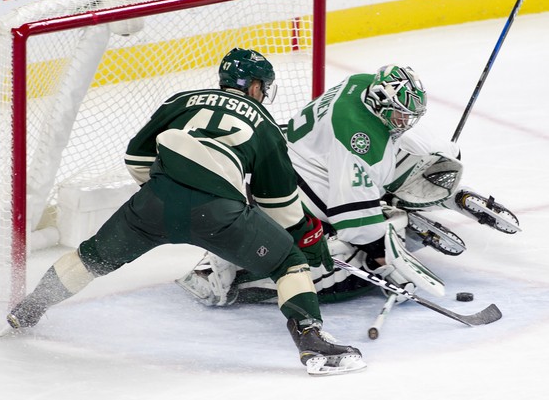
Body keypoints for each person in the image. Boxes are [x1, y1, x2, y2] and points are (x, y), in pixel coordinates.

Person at [0, 48, 366, 375]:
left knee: (92, 256)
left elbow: (136, 157)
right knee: (287, 263)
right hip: (221, 214)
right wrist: (306, 236)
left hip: (154, 203)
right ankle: (311, 341)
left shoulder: (182, 100)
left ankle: (29, 309)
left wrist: (168, 192)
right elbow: (280, 205)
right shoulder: (266, 124)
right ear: (256, 87)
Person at [176, 64, 520, 307]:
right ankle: (247, 285)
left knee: (381, 184)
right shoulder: (357, 139)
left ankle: (410, 197)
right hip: (294, 193)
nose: (405, 122)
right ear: (381, 103)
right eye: (401, 114)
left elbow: (358, 179)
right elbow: (353, 221)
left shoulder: (362, 84)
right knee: (344, 264)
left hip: (290, 166)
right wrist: (380, 255)